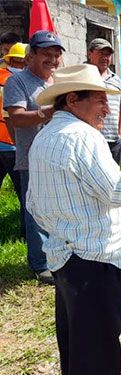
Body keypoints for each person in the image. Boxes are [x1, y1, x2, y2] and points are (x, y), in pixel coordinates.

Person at [26, 64, 121, 375]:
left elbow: (33, 205)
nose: (107, 110)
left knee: (78, 349)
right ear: (73, 100)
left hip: (65, 259)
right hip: (97, 261)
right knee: (98, 356)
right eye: (99, 100)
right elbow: (117, 191)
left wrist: (65, 228)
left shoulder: (45, 137)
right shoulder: (83, 137)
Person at [3, 30, 64, 284]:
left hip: (59, 158)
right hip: (32, 159)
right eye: (46, 54)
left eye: (56, 55)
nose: (52, 60)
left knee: (57, 209)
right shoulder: (17, 82)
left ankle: (56, 256)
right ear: (31, 56)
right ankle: (40, 264)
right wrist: (47, 112)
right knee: (35, 212)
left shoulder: (58, 82)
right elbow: (15, 118)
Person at [0, 42, 26, 237]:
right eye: (19, 63)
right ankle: (28, 233)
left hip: (12, 145)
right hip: (13, 145)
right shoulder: (21, 83)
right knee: (26, 194)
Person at [87, 38, 121, 165]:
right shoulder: (82, 76)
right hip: (88, 139)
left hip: (113, 140)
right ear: (90, 54)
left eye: (108, 54)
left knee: (113, 178)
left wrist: (120, 133)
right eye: (101, 53)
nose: (105, 57)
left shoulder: (117, 80)